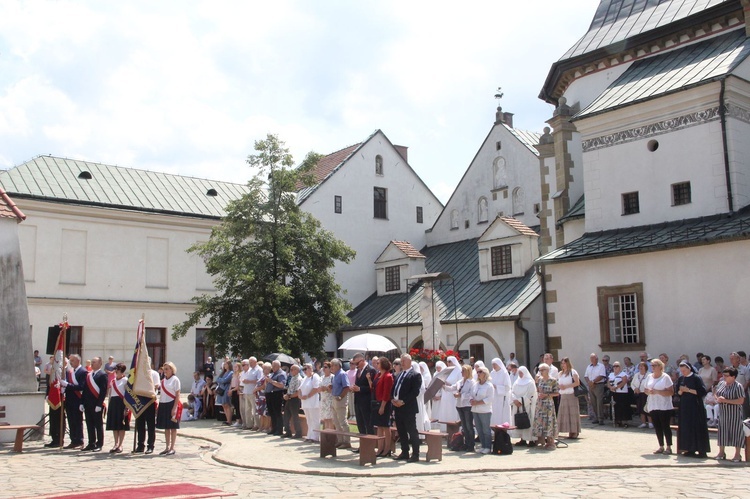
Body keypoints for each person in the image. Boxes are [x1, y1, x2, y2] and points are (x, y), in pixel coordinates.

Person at [391, 354, 422, 462]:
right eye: (401, 361)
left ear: (410, 361)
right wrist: (393, 399)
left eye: (404, 361)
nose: (402, 363)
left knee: (412, 431)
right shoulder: (399, 374)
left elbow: (415, 392)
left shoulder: (415, 375)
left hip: (408, 408)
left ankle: (415, 454)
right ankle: (405, 452)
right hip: (398, 407)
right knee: (401, 431)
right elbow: (395, 388)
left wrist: (403, 401)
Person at [675, 361, 710, 457]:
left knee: (697, 426)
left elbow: (702, 392)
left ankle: (701, 450)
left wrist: (689, 390)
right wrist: (681, 391)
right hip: (685, 406)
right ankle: (689, 449)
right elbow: (678, 392)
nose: (683, 372)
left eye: (684, 370)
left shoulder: (696, 378)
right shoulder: (681, 378)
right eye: (681, 371)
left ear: (689, 368)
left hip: (695, 406)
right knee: (686, 427)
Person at [714, 366, 745, 462]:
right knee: (722, 432)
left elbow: (741, 400)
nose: (724, 377)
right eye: (724, 375)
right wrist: (717, 398)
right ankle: (721, 452)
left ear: (733, 376)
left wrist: (726, 400)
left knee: (736, 432)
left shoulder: (738, 386)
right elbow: (716, 393)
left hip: (734, 413)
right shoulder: (722, 384)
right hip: (723, 413)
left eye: (727, 376)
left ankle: (737, 454)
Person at [645, 358, 674, 455]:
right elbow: (645, 389)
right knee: (657, 426)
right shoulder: (649, 376)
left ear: (660, 366)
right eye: (651, 365)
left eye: (654, 365)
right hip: (653, 404)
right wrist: (648, 391)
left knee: (665, 426)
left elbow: (671, 391)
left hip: (664, 405)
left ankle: (669, 446)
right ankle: (661, 446)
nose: (652, 367)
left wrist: (658, 392)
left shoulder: (665, 377)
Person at [60, 354, 87, 449]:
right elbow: (68, 385)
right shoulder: (69, 372)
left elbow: (81, 387)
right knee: (71, 420)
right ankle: (73, 440)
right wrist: (63, 388)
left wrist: (67, 385)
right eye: (70, 360)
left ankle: (79, 440)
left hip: (78, 399)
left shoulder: (83, 372)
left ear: (78, 361)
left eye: (73, 361)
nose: (71, 362)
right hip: (69, 399)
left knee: (77, 421)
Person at [82, 356, 108, 451]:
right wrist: (82, 402)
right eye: (92, 362)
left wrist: (99, 404)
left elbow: (103, 391)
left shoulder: (102, 375)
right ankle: (91, 443)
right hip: (88, 404)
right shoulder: (89, 375)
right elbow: (85, 390)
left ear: (100, 364)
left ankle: (99, 444)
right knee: (89, 424)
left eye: (94, 362)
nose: (92, 364)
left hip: (96, 404)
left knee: (98, 425)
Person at [369, 357, 393, 457]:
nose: (376, 364)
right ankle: (380, 448)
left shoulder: (388, 376)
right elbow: (373, 387)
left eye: (378, 363)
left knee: (386, 426)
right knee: (379, 426)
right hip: (376, 402)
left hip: (384, 403)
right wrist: (369, 379)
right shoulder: (378, 375)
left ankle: (387, 448)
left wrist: (382, 406)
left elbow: (386, 393)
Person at [156, 361, 181, 455]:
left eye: (167, 369)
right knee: (166, 427)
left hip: (171, 404)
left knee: (173, 427)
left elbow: (177, 394)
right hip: (163, 404)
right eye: (164, 369)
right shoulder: (163, 380)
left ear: (171, 369)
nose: (165, 371)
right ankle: (167, 447)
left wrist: (174, 408)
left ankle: (172, 447)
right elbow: (162, 394)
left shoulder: (175, 380)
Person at [532, 363, 558, 450]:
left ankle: (551, 441)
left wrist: (546, 395)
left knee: (549, 422)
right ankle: (541, 440)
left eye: (542, 370)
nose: (541, 372)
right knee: (540, 422)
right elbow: (538, 390)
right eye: (540, 370)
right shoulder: (539, 380)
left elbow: (557, 393)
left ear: (547, 370)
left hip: (548, 404)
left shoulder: (553, 380)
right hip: (540, 404)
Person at [106, 363, 130, 453]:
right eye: (116, 370)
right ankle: (115, 443)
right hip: (113, 403)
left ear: (122, 371)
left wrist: (127, 407)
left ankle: (120, 444)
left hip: (122, 403)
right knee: (114, 425)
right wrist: (109, 404)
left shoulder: (125, 380)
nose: (116, 372)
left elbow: (128, 395)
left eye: (118, 370)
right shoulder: (112, 381)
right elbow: (110, 394)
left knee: (121, 425)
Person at [350, 352, 377, 436]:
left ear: (362, 360)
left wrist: (360, 389)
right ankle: (362, 445)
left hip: (366, 401)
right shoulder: (358, 370)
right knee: (360, 423)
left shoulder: (371, 370)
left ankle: (370, 445)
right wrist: (354, 388)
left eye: (357, 363)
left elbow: (372, 387)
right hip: (358, 400)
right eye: (354, 364)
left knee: (368, 424)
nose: (356, 366)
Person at [510, 366, 537, 447]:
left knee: (528, 421)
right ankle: (522, 439)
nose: (520, 374)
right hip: (517, 406)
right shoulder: (516, 382)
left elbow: (530, 394)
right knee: (519, 421)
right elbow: (512, 392)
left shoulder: (530, 382)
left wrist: (521, 401)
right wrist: (515, 400)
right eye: (519, 373)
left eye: (522, 373)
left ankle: (531, 440)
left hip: (527, 405)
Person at [470, 366, 495, 454]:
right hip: (475, 410)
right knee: (479, 429)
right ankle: (483, 445)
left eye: (480, 372)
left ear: (485, 373)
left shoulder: (489, 386)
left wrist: (478, 402)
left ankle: (488, 447)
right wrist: (471, 400)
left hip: (485, 410)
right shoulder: (475, 384)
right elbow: (471, 394)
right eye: (477, 372)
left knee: (486, 429)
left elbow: (489, 399)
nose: (478, 374)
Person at [557, 357, 581, 438]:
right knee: (565, 414)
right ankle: (568, 430)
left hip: (571, 395)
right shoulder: (560, 373)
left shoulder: (573, 372)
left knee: (572, 414)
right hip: (563, 395)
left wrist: (566, 386)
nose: (563, 365)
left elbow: (577, 383)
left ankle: (574, 431)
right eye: (562, 363)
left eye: (564, 363)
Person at [434, 355, 461, 424]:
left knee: (452, 410)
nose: (448, 363)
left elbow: (460, 383)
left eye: (450, 362)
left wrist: (450, 385)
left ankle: (454, 427)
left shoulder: (458, 371)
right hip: (445, 393)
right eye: (447, 362)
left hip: (453, 394)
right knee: (445, 410)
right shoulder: (447, 371)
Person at [330, 358, 351, 448]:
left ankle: (347, 441)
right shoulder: (335, 375)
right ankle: (340, 440)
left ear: (337, 366)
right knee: (336, 421)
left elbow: (346, 387)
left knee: (342, 421)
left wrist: (341, 397)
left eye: (332, 365)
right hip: (334, 399)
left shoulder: (342, 374)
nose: (331, 367)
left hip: (340, 400)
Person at [265, 360, 287, 436]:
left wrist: (271, 381)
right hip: (270, 394)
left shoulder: (281, 374)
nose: (272, 367)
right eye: (272, 365)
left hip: (276, 394)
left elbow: (281, 385)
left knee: (277, 412)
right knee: (272, 413)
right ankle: (274, 429)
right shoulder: (272, 374)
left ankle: (279, 430)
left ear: (279, 366)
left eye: (274, 366)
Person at [300, 363, 321, 442]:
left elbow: (316, 388)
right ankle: (309, 435)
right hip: (305, 402)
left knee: (315, 419)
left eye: (306, 369)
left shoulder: (315, 377)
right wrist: (300, 396)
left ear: (311, 369)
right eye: (303, 369)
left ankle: (315, 437)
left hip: (313, 401)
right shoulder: (304, 378)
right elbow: (299, 388)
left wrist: (308, 396)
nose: (305, 371)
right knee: (309, 419)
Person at [584, 353, 606, 425]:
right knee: (593, 402)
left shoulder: (601, 366)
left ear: (597, 359)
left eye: (594, 358)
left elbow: (602, 376)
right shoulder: (589, 367)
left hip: (599, 385)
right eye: (592, 358)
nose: (593, 359)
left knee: (599, 402)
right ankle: (596, 417)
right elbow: (586, 376)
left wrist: (593, 381)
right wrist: (589, 383)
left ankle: (601, 418)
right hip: (591, 386)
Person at [241, 357, 263, 430]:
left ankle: (257, 425)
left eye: (251, 362)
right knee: (247, 409)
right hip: (247, 391)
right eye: (249, 362)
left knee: (255, 409)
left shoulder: (259, 370)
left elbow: (259, 381)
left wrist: (249, 381)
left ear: (255, 362)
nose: (250, 364)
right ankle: (248, 424)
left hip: (253, 391)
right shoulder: (249, 369)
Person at [608, 361, 631, 427]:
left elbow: (624, 381)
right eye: (614, 366)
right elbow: (608, 382)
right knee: (616, 407)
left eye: (617, 366)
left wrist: (616, 387)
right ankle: (617, 420)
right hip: (614, 393)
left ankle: (625, 421)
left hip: (622, 393)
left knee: (623, 407)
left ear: (620, 367)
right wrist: (610, 387)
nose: (615, 367)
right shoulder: (611, 374)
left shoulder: (623, 374)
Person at [489, 358, 512, 426]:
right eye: (492, 364)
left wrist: (497, 387)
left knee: (502, 414)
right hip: (494, 397)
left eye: (495, 364)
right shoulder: (492, 373)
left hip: (502, 397)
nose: (493, 366)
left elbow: (507, 387)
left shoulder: (504, 373)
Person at [283, 364, 303, 438]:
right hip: (289, 398)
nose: (291, 371)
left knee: (295, 416)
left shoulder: (298, 379)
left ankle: (298, 433)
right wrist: (286, 395)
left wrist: (289, 396)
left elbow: (297, 392)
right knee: (286, 416)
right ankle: (288, 432)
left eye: (292, 369)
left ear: (297, 370)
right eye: (290, 369)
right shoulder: (292, 378)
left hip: (295, 399)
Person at [631, 361, 652, 429]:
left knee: (647, 408)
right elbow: (632, 384)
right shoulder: (636, 375)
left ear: (645, 367)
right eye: (639, 366)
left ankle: (650, 423)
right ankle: (643, 423)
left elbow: (651, 384)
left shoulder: (649, 375)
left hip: (646, 394)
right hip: (639, 394)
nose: (641, 367)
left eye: (642, 366)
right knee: (640, 408)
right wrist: (635, 389)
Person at [215, 360, 233, 424]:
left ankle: (229, 420)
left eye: (226, 364)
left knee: (227, 404)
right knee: (223, 405)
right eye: (224, 364)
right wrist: (221, 380)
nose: (224, 365)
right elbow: (217, 379)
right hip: (221, 389)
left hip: (226, 388)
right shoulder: (223, 373)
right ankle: (227, 419)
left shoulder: (231, 372)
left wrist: (221, 380)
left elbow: (225, 380)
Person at [319, 362, 334, 430]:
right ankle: (326, 435)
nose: (324, 369)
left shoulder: (332, 377)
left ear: (330, 368)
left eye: (325, 367)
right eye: (323, 367)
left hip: (330, 400)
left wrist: (326, 389)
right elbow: (318, 387)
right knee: (325, 419)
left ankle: (331, 435)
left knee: (330, 419)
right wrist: (321, 388)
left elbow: (333, 388)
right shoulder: (321, 377)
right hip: (323, 399)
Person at [229, 361, 242, 427]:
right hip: (233, 390)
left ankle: (239, 420)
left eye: (236, 367)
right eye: (234, 367)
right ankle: (237, 420)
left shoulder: (240, 374)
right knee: (234, 405)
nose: (235, 368)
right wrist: (230, 390)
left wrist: (233, 390)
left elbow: (238, 384)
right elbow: (231, 383)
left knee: (237, 406)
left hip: (236, 390)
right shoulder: (233, 374)